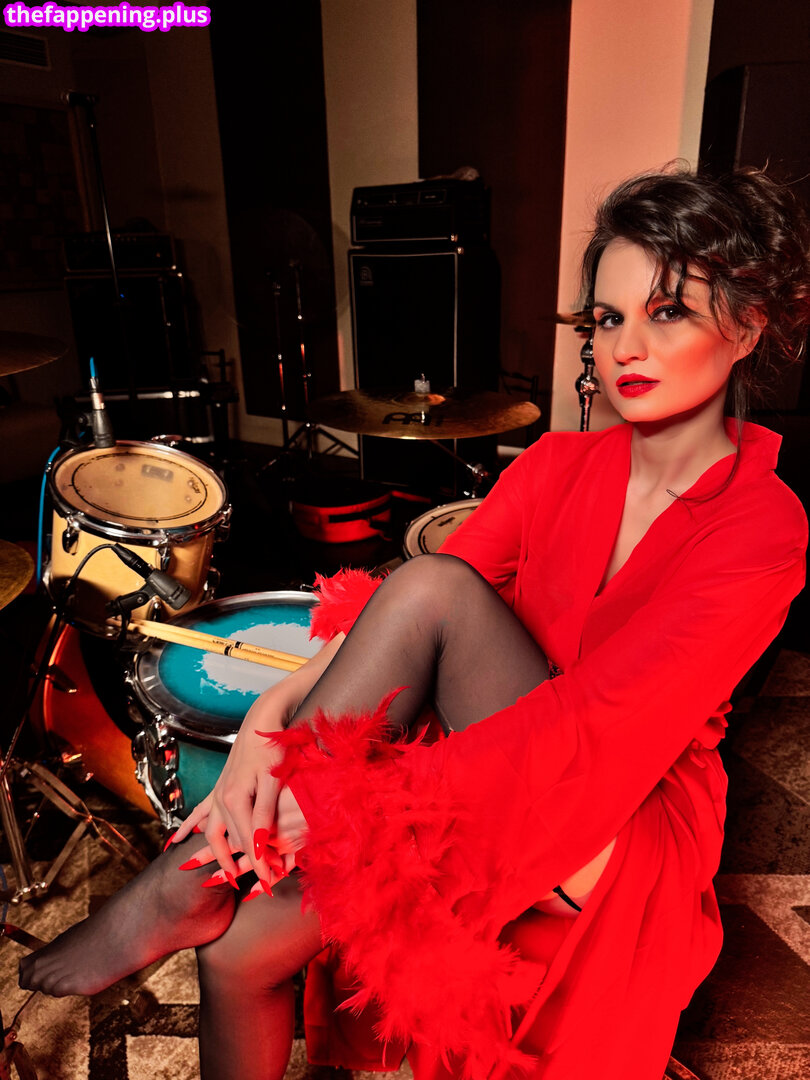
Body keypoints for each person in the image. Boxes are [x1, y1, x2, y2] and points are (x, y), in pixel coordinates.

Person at [20, 165, 810, 1080]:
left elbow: (598, 723)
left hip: (622, 813)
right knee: (238, 953)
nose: (624, 346)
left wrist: (340, 803)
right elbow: (396, 607)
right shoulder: (557, 465)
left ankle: (185, 878)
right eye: (606, 317)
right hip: (492, 752)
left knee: (439, 589)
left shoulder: (764, 525)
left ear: (747, 325)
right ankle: (197, 884)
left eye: (666, 312)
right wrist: (272, 714)